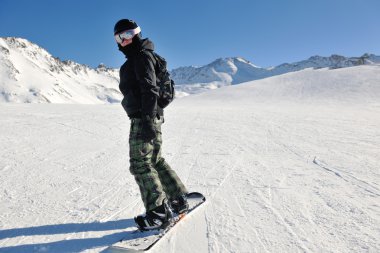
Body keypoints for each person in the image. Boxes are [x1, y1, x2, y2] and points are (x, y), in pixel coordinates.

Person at [114, 19, 188, 231]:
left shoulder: (141, 57)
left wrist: (146, 119)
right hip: (152, 116)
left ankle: (157, 213)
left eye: (127, 34)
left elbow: (149, 89)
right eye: (119, 37)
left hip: (144, 118)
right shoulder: (145, 56)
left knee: (141, 164)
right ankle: (178, 198)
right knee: (155, 159)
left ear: (137, 33)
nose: (124, 40)